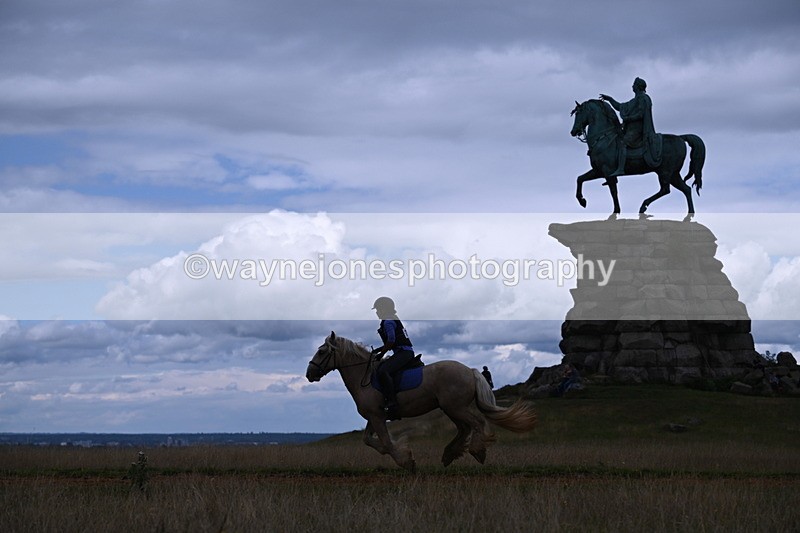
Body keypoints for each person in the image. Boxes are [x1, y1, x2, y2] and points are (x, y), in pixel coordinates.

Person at [599, 77, 662, 175]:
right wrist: (610, 99)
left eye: (634, 85)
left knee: (622, 142)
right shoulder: (635, 100)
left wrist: (628, 119)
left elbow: (641, 114)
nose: (632, 86)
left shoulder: (643, 98)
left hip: (638, 130)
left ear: (638, 87)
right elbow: (620, 107)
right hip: (631, 129)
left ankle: (620, 169)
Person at [371, 296, 415, 420]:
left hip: (403, 353)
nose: (377, 312)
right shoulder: (392, 319)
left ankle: (392, 403)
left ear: (384, 309)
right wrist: (378, 350)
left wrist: (381, 354)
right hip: (403, 352)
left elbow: (391, 340)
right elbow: (391, 342)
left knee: (383, 371)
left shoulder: (388, 321)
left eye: (378, 309)